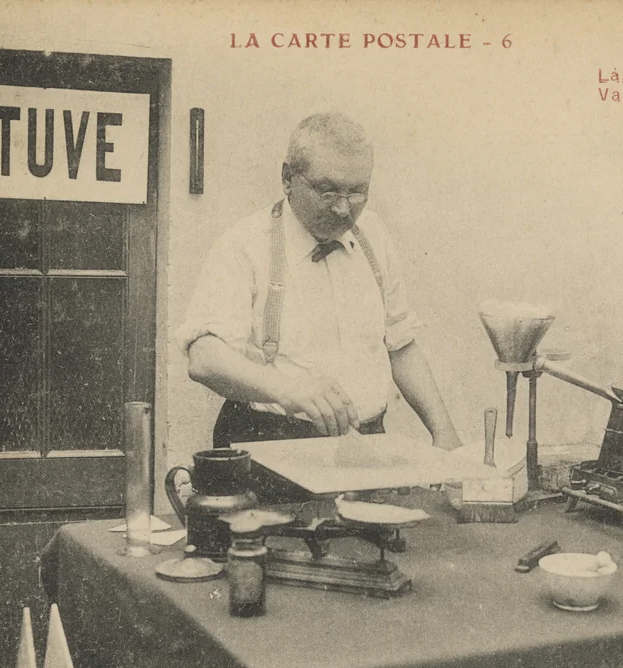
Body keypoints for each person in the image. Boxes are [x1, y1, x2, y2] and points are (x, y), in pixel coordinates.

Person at [178, 113, 463, 451]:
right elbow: (205, 358)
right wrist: (290, 389)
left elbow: (400, 345)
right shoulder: (244, 245)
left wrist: (444, 432)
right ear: (287, 178)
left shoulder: (374, 236)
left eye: (357, 192)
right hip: (271, 445)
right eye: (327, 191)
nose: (344, 209)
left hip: (365, 447)